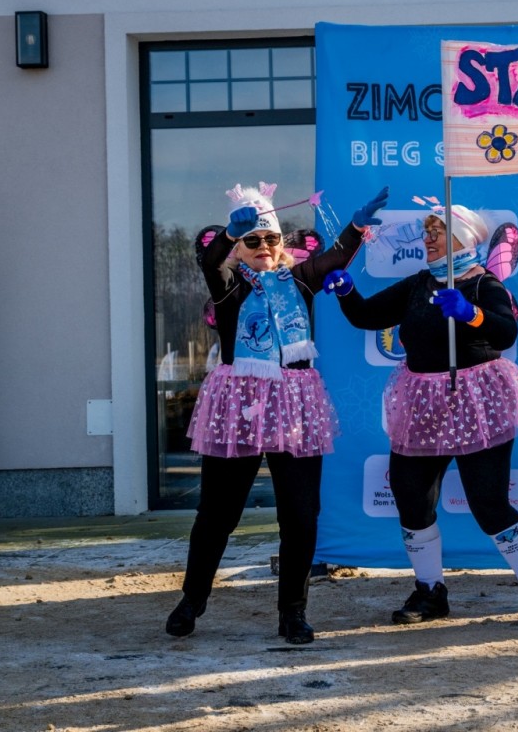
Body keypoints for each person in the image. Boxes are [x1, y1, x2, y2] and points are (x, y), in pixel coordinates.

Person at [166, 182, 387, 644]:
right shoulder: (228, 283)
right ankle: (192, 599)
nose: (264, 246)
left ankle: (293, 612)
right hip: (239, 407)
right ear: (239, 246)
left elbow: (335, 258)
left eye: (271, 238)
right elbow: (210, 262)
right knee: (217, 514)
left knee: (301, 516)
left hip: (294, 407)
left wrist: (356, 226)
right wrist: (229, 234)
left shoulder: (299, 280)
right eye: (253, 239)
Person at [324, 203, 518, 629]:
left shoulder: (484, 283)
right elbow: (367, 315)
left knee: (488, 503)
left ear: (464, 239)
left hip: (476, 403)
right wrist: (346, 291)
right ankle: (430, 591)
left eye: (438, 231)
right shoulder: (420, 283)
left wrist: (471, 314)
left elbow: (506, 330)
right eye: (427, 231)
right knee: (411, 497)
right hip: (423, 405)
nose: (428, 238)